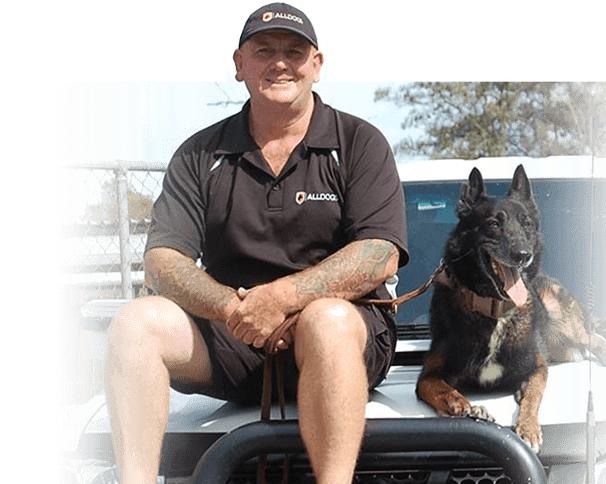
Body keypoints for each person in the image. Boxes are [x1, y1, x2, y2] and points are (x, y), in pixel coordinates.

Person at [104, 3, 409, 483]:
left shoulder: (359, 142)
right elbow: (163, 261)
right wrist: (233, 309)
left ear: (318, 64)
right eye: (264, 51)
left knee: (325, 320)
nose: (280, 62)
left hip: (341, 335)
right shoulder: (198, 154)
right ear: (238, 64)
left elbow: (378, 253)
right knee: (136, 321)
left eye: (294, 51)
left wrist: (284, 299)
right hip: (236, 335)